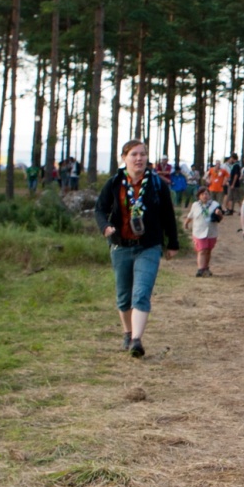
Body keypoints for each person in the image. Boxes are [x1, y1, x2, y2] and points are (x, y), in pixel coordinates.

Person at [94, 139, 179, 357]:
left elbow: (168, 215)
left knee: (141, 293)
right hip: (121, 246)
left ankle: (136, 341)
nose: (139, 158)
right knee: (124, 296)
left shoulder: (157, 184)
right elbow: (100, 209)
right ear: (124, 158)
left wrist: (173, 243)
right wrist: (105, 227)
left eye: (142, 154)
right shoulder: (114, 183)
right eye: (133, 154)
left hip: (148, 246)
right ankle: (127, 332)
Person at [183, 187, 224, 277]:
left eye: (206, 194)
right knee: (202, 250)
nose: (205, 196)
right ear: (199, 196)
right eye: (202, 194)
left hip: (211, 231)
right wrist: (186, 223)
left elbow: (220, 218)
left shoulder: (215, 204)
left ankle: (206, 267)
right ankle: (200, 269)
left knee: (208, 250)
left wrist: (219, 214)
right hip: (198, 231)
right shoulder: (195, 205)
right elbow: (191, 216)